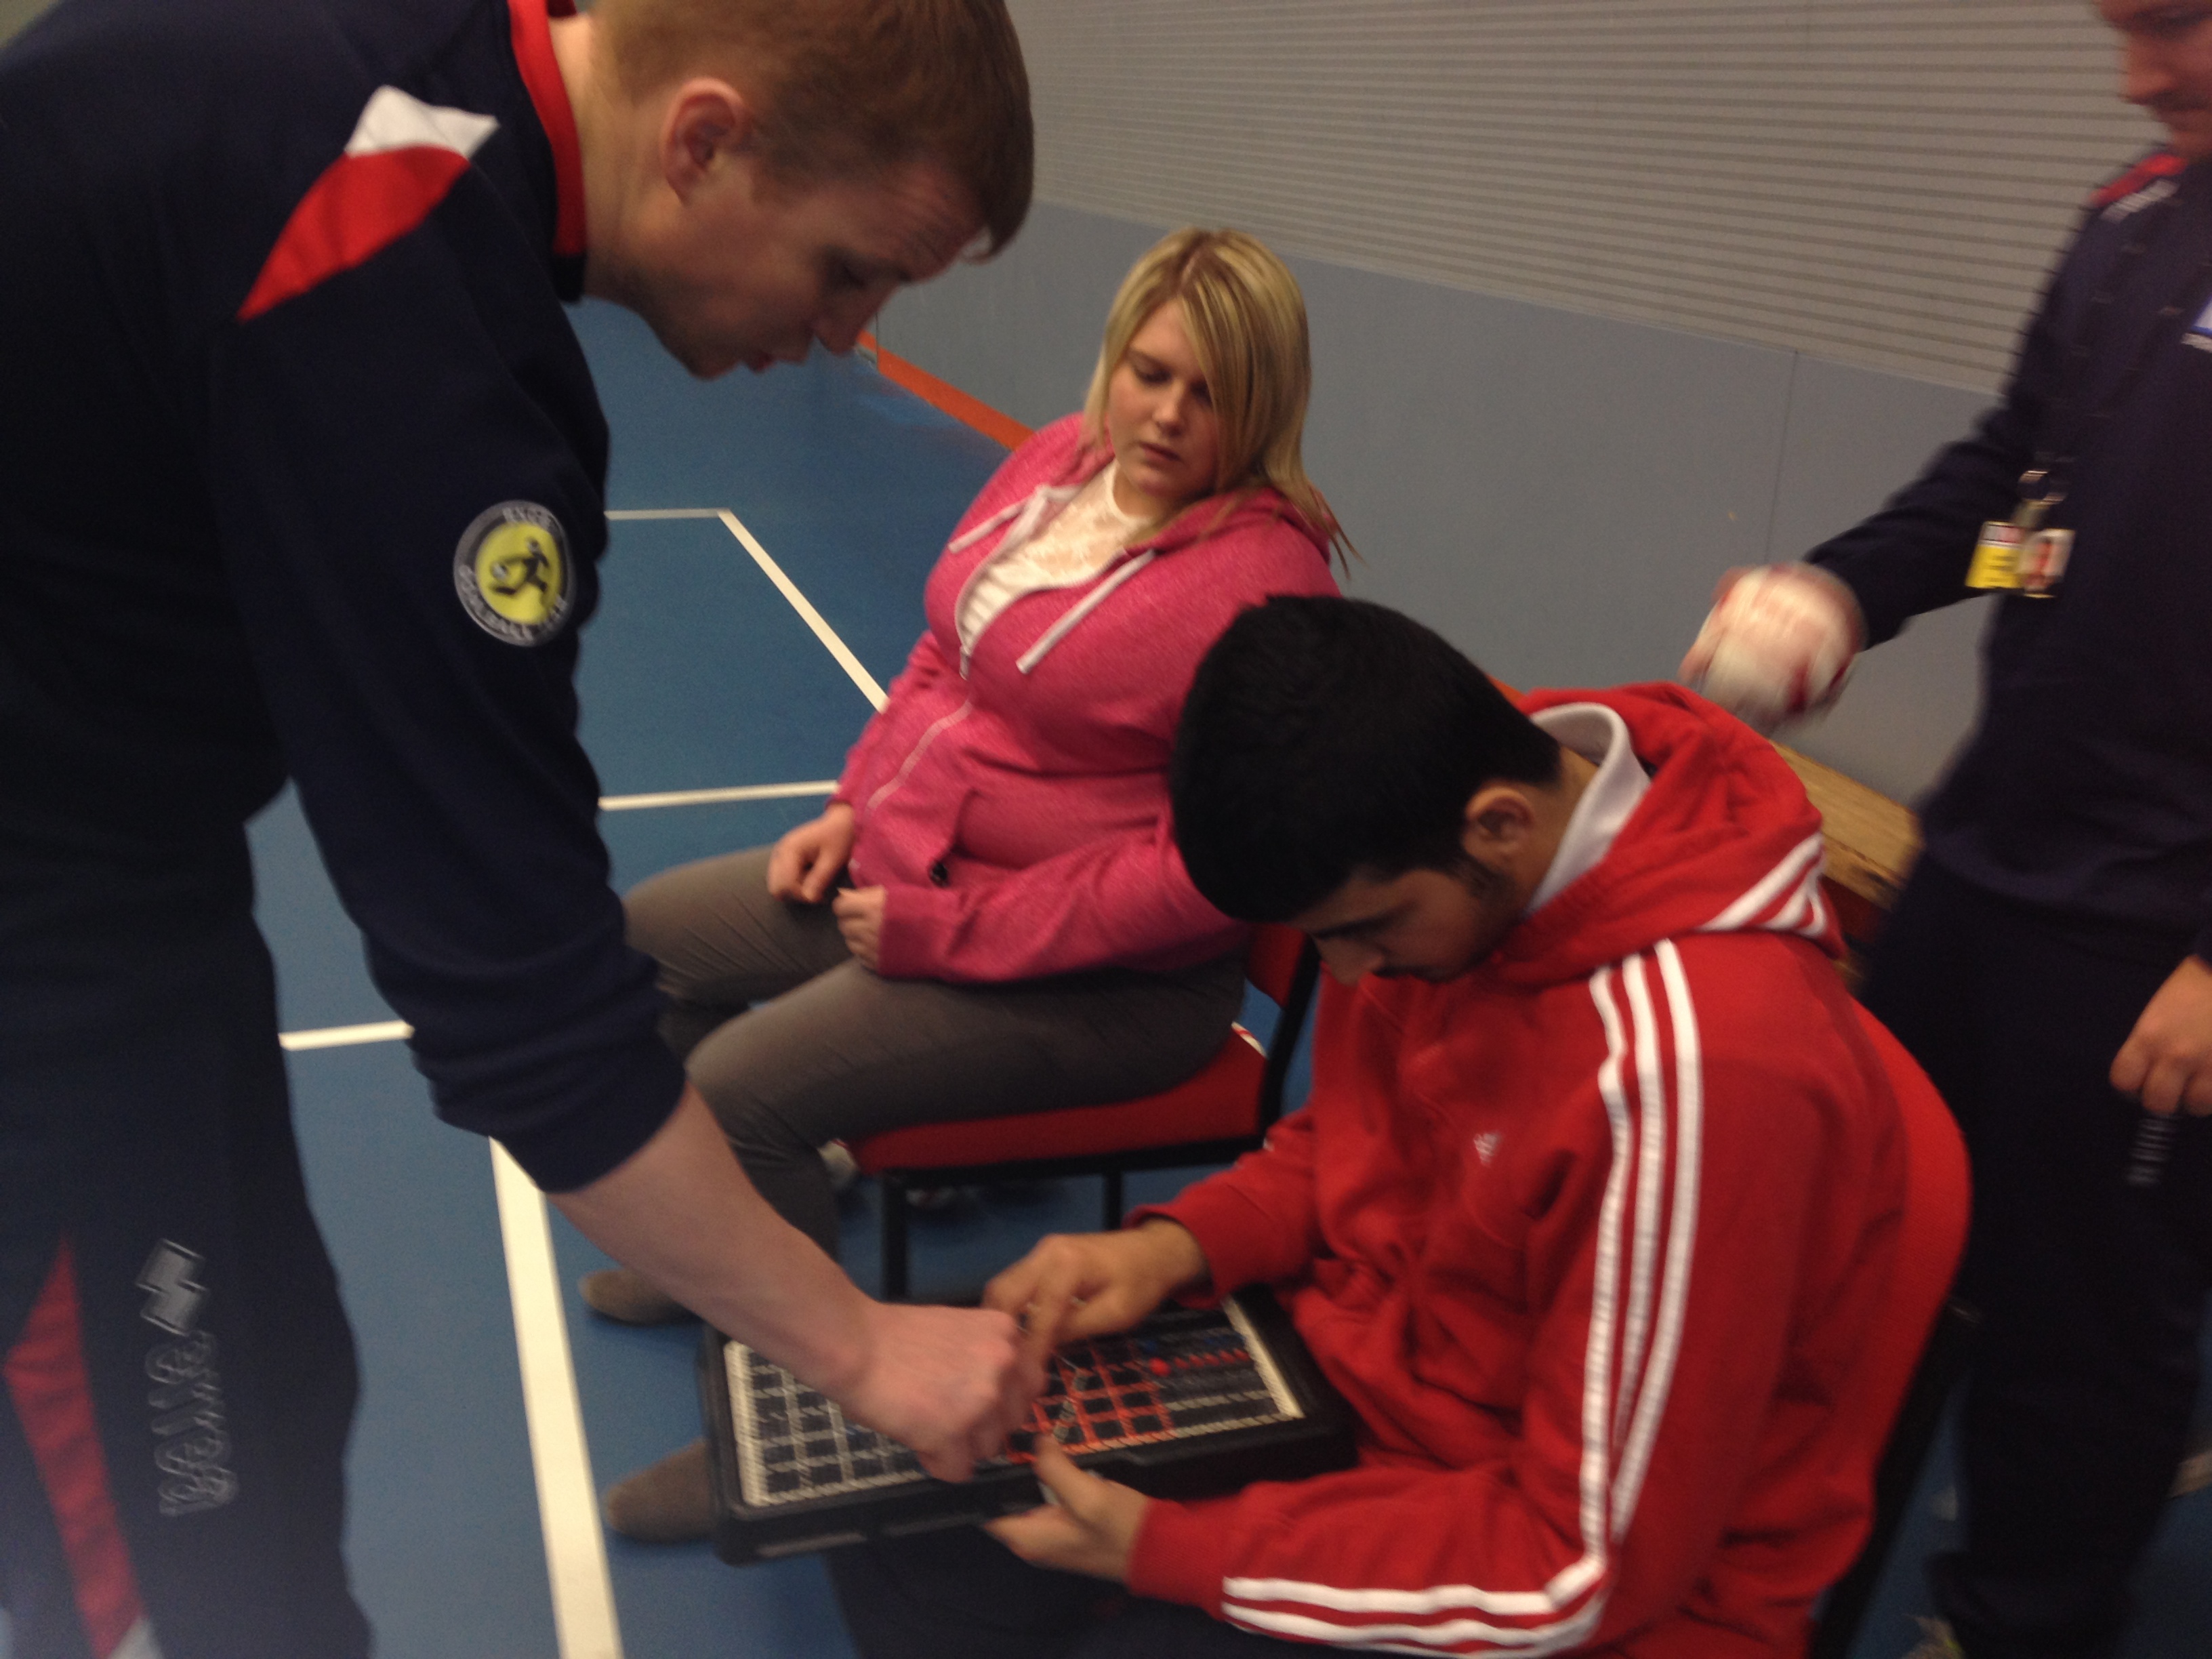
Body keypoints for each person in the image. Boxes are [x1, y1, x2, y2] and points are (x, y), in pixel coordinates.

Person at [0, 0, 1035, 1652]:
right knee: (160, 1520)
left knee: (272, 1374)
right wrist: (860, 1348)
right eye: (850, 270)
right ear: (705, 140)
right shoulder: (398, 297)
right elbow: (521, 1010)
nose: (849, 332)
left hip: (124, 874)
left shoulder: (413, 72)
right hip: (41, 942)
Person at [828, 595, 1912, 1658]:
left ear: (1500, 825)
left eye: (1363, 933)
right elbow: (1352, 1144)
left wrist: (1181, 1550)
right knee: (919, 1501)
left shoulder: (1701, 1077)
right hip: (1370, 1394)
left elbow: (1588, 1570)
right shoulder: (1454, 864)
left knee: (971, 1579)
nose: (1348, 976)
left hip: (1565, 1576)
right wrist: (1176, 1246)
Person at [582, 226, 1348, 1541]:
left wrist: (955, 928)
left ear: (1263, 405)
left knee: (740, 1090)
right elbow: (947, 656)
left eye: (1209, 392)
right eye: (1151, 372)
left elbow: (1209, 876)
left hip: (1112, 983)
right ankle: (732, 1254)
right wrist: (850, 808)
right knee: (645, 949)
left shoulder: (1267, 588)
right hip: (919, 870)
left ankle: (797, 1427)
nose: (1165, 414)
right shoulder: (1062, 464)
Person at [1678, 5, 2212, 1654]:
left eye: (2174, 23)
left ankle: (2021, 1618)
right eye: (2120, 26)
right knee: (1867, 1236)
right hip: (1986, 859)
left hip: (2149, 930)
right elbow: (2014, 486)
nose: (2136, 71)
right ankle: (1792, 1575)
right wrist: (1844, 590)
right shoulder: (2136, 215)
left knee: (2083, 1335)